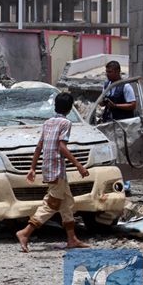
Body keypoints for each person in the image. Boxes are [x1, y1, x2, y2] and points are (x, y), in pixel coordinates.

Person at [16, 93, 90, 253]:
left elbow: (39, 146)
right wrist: (79, 165)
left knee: (66, 204)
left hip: (49, 167)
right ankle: (25, 232)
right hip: (57, 169)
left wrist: (33, 167)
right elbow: (62, 147)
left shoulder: (48, 122)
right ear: (70, 108)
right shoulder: (66, 123)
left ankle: (72, 239)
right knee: (51, 204)